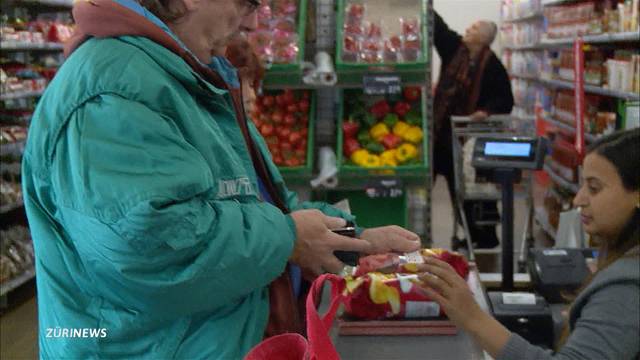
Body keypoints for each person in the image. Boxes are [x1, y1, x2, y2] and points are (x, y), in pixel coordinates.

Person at [21, 0, 420, 358]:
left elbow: (255, 205)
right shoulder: (113, 92)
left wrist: (355, 239)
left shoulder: (187, 76)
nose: (254, 16)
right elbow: (151, 249)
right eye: (248, 1)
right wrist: (288, 238)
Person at [417, 128, 640, 359]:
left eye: (594, 188)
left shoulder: (626, 287)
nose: (579, 199)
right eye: (583, 185)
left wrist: (473, 317)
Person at [433, 11, 514, 248]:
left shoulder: (493, 67)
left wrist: (485, 112)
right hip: (442, 134)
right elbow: (439, 28)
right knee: (451, 188)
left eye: (474, 28)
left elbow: (505, 100)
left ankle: (483, 237)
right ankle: (461, 233)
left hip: (468, 139)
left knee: (469, 189)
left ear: (485, 38)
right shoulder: (453, 49)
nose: (468, 30)